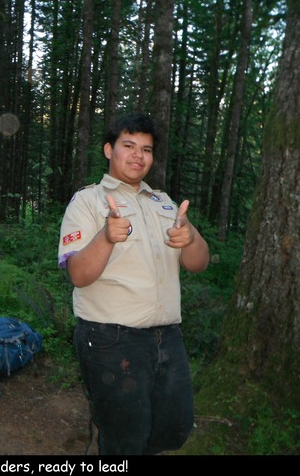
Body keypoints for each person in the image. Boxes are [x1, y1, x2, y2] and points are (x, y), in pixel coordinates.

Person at [58, 113, 209, 455]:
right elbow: (78, 275)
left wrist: (191, 236)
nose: (138, 155)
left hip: (167, 337)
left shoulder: (165, 203)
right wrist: (106, 236)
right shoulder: (88, 201)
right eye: (129, 146)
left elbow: (197, 264)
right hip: (110, 339)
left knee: (175, 427)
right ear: (108, 150)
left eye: (147, 149)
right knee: (124, 438)